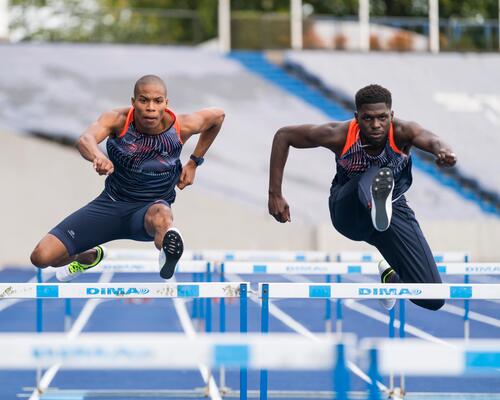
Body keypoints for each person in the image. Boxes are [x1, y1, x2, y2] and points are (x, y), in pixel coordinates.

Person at [268, 84, 456, 311]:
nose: (376, 125)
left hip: (393, 211)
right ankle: (375, 202)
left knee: (433, 297)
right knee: (375, 173)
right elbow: (284, 136)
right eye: (367, 119)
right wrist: (275, 194)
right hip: (349, 210)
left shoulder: (402, 132)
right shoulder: (339, 135)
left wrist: (443, 151)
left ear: (392, 116)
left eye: (382, 118)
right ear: (357, 118)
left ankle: (391, 277)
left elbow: (431, 139)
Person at [30, 75, 225, 281]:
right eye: (144, 100)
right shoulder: (117, 120)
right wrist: (97, 156)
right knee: (42, 257)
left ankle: (166, 254)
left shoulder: (180, 126)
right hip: (110, 206)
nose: (151, 107)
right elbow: (85, 139)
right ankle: (89, 256)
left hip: (148, 212)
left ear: (166, 104)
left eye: (157, 101)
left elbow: (218, 117)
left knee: (163, 217)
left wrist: (194, 162)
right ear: (133, 102)